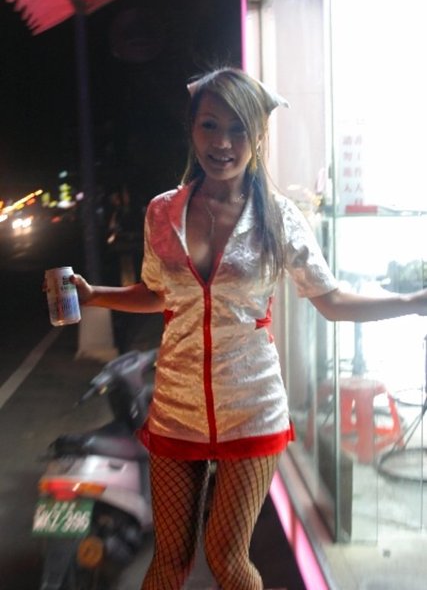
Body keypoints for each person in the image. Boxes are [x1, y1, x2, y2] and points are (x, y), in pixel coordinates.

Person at [71, 67, 427, 590]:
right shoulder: (161, 213)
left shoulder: (279, 217)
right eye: (210, 126)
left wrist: (413, 301)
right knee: (169, 560)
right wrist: (94, 295)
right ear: (192, 129)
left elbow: (331, 301)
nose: (223, 143)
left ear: (259, 135)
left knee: (227, 558)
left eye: (239, 129)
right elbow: (158, 293)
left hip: (252, 407)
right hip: (175, 406)